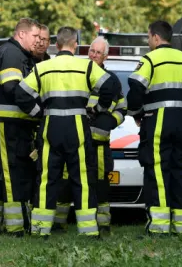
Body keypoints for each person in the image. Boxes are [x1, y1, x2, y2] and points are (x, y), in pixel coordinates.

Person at [14, 27, 121, 238]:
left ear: (56, 44)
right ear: (75, 45)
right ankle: (89, 231)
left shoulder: (43, 67)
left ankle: (39, 230)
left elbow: (20, 92)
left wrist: (38, 112)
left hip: (50, 126)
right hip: (78, 127)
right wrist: (99, 109)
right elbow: (109, 86)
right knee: (81, 178)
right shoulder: (86, 66)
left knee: (47, 178)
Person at [127, 20, 182, 235]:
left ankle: (159, 227)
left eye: (148, 37)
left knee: (158, 170)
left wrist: (137, 114)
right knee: (180, 170)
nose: (148, 41)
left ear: (155, 37)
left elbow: (135, 88)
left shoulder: (150, 59)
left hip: (157, 120)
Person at [53, 36, 128, 234]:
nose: (94, 55)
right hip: (75, 141)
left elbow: (122, 108)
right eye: (92, 51)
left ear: (105, 56)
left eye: (98, 52)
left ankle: (102, 224)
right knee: (67, 182)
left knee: (101, 184)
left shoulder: (112, 80)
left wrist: (111, 121)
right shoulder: (79, 73)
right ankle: (58, 223)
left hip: (99, 144)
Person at [0, 18, 42, 236]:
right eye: (35, 36)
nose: (38, 41)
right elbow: (12, 87)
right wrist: (36, 111)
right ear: (21, 34)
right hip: (9, 123)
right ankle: (18, 227)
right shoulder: (14, 55)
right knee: (12, 170)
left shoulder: (0, 52)